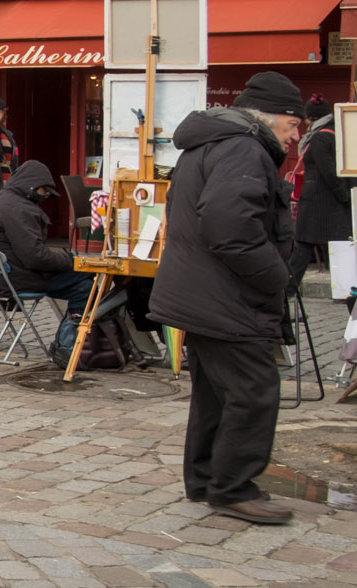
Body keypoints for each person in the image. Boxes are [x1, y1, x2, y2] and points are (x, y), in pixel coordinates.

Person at [150, 71, 306, 526]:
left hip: (203, 293)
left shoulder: (213, 144)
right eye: (294, 124)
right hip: (226, 297)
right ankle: (234, 487)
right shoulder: (243, 148)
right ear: (272, 116)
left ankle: (206, 479)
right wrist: (277, 276)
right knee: (253, 392)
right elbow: (230, 229)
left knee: (216, 394)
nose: (296, 135)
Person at [0, 159, 92, 362]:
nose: (44, 197)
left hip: (2, 277)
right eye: (44, 191)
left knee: (84, 280)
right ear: (34, 187)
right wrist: (72, 261)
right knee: (87, 284)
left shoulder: (0, 200)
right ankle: (67, 346)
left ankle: (70, 345)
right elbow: (35, 258)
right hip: (21, 278)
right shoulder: (19, 209)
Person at [291, 95, 348, 294]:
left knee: (304, 249)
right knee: (334, 250)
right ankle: (345, 290)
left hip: (320, 203)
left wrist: (346, 198)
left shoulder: (321, 136)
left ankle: (287, 291)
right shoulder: (333, 132)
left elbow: (329, 172)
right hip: (326, 203)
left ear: (310, 117)